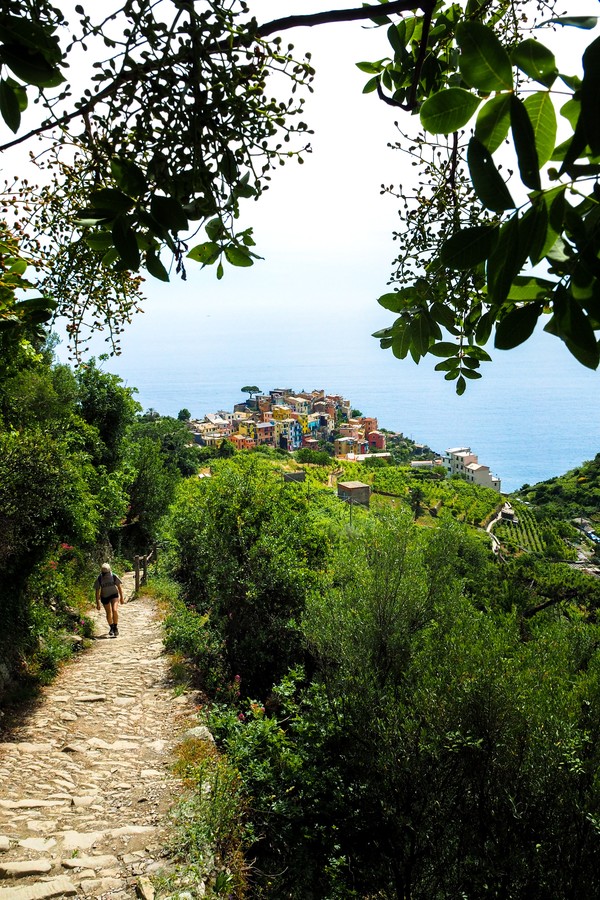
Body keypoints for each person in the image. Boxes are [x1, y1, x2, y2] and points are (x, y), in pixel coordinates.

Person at [95, 563, 125, 637]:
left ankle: (115, 627)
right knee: (108, 612)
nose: (105, 574)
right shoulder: (99, 578)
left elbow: (119, 587)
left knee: (114, 610)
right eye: (104, 572)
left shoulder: (113, 576)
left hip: (114, 595)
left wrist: (121, 598)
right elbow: (97, 591)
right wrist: (98, 603)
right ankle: (111, 627)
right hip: (105, 596)